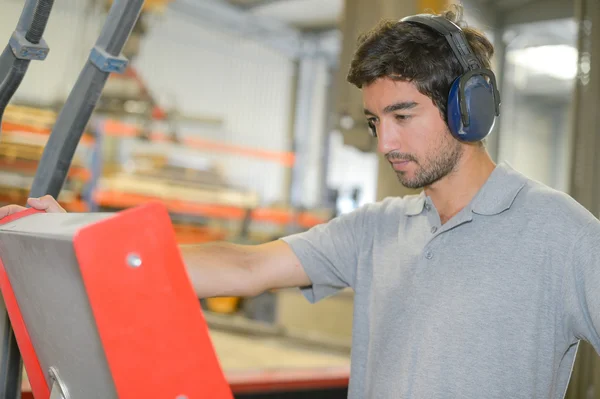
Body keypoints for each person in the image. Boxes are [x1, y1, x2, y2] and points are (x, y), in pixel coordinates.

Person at [2, 5, 599, 399]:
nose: (384, 142)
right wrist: (91, 241)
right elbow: (246, 265)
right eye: (374, 120)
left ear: (471, 108)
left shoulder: (560, 233)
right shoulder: (379, 228)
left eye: (403, 114)